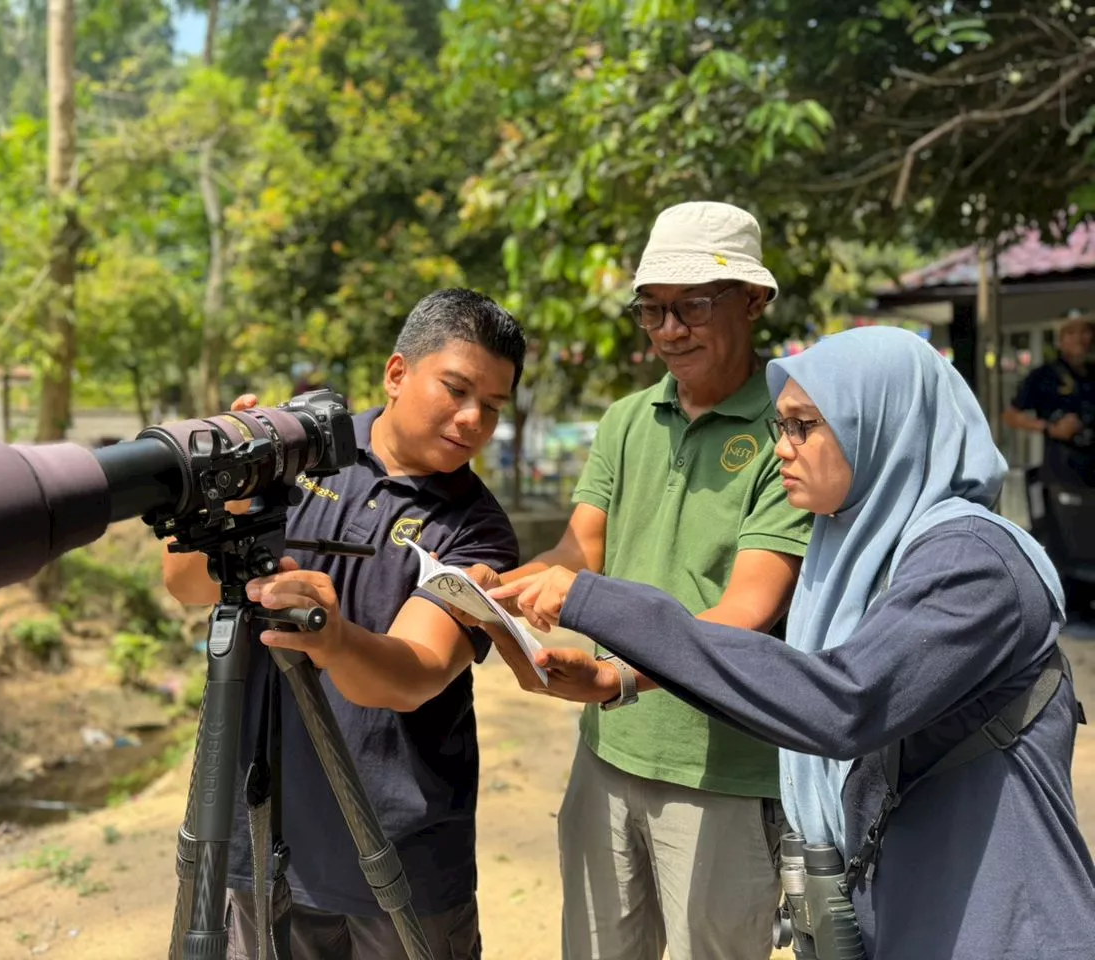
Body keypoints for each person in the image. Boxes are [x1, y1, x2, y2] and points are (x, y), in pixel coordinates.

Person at [491, 326, 1095, 960]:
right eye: (781, 425)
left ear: (879, 425)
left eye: (805, 425)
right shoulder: (854, 556)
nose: (782, 449)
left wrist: (598, 602)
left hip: (998, 927)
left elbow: (840, 702)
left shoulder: (973, 564)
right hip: (904, 914)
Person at [479, 201, 815, 960]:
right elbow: (578, 552)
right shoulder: (629, 419)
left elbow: (746, 613)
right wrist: (492, 589)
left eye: (692, 306)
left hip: (725, 767)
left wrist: (618, 677)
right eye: (652, 310)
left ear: (755, 301)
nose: (670, 330)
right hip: (606, 754)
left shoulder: (789, 428)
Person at [162, 288, 526, 960]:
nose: (474, 418)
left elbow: (414, 674)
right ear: (396, 373)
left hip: (403, 857)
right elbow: (184, 582)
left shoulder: (479, 530)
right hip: (263, 828)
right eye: (456, 389)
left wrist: (333, 638)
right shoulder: (293, 453)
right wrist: (225, 502)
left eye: (493, 408)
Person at [1004, 313, 1095, 487]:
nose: (1079, 339)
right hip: (1063, 470)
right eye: (1071, 333)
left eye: (1085, 331)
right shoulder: (1044, 375)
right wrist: (1051, 428)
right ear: (1060, 339)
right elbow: (1011, 416)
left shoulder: (1092, 373)